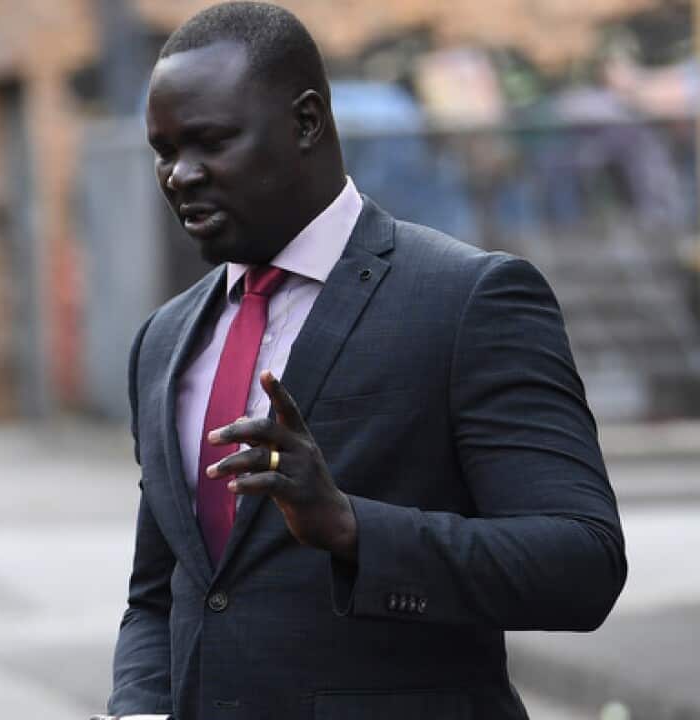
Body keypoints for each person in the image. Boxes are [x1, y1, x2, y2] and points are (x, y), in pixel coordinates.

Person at [107, 4, 627, 719]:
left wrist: (352, 527)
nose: (180, 175)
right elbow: (160, 594)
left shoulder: (467, 300)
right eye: (164, 150)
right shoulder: (165, 340)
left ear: (307, 123)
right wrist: (138, 707)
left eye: (210, 142)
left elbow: (583, 565)